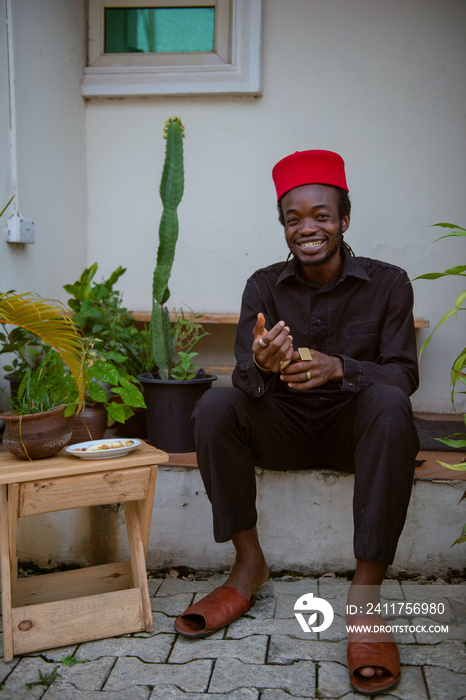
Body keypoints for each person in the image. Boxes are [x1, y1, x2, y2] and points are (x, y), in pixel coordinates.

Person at [174, 149, 420, 695]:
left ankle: (365, 597)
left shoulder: (389, 283)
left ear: (345, 220)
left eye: (321, 215)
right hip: (282, 429)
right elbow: (244, 376)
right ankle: (247, 566)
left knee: (389, 404)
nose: (307, 228)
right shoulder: (264, 285)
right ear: (283, 226)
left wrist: (340, 368)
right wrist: (260, 366)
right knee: (215, 405)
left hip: (356, 433)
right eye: (293, 218)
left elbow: (403, 375)